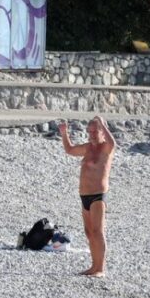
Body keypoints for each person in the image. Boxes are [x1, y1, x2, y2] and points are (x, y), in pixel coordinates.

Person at [58, 116, 116, 277]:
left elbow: (113, 143)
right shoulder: (88, 148)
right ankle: (93, 266)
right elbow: (69, 150)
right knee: (89, 232)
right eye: (89, 131)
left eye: (94, 131)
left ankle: (100, 268)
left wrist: (104, 124)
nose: (91, 134)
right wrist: (64, 133)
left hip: (98, 195)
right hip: (84, 195)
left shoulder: (106, 148)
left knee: (98, 231)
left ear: (102, 131)